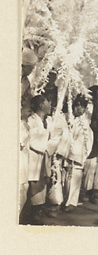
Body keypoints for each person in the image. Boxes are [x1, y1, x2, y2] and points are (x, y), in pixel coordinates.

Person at [61, 95, 93, 212]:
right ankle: (65, 201)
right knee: (66, 179)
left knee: (74, 178)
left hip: (76, 153)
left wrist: (78, 153)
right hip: (67, 151)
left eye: (82, 107)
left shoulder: (85, 123)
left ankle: (72, 202)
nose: (79, 109)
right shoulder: (69, 118)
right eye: (77, 106)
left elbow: (86, 141)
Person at [26, 94, 54, 222]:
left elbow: (56, 137)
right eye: (48, 101)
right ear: (42, 105)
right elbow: (32, 139)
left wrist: (50, 146)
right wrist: (46, 145)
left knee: (43, 181)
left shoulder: (48, 121)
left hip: (45, 155)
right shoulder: (31, 120)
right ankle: (34, 211)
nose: (50, 104)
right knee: (34, 182)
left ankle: (41, 208)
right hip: (34, 155)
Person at [21, 48, 37, 121]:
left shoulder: (26, 82)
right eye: (31, 68)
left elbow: (27, 102)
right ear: (24, 66)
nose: (32, 70)